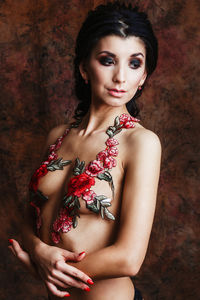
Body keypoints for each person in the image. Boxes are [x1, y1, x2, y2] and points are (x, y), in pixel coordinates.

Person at [8, 2, 161, 299]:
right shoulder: (57, 136)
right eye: (107, 60)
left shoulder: (141, 143)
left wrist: (51, 269)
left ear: (143, 76)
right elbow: (29, 220)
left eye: (134, 63)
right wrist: (39, 251)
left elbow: (130, 257)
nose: (121, 77)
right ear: (83, 68)